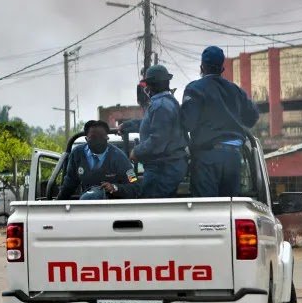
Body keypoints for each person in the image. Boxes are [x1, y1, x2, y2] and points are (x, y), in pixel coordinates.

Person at [181, 46, 260, 197]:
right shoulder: (235, 91)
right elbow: (252, 118)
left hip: (207, 158)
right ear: (222, 68)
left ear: (202, 67)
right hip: (233, 159)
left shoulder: (195, 89)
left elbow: (187, 123)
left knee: (207, 208)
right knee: (229, 207)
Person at [104, 65, 188, 199]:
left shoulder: (160, 105)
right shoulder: (165, 103)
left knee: (152, 207)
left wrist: (137, 151)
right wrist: (128, 125)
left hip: (163, 168)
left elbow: (158, 140)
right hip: (165, 166)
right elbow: (150, 125)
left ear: (151, 86)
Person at [58, 120, 134, 200]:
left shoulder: (120, 157)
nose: (98, 141)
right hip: (86, 203)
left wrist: (114, 187)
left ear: (107, 138)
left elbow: (134, 185)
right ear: (86, 139)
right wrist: (57, 205)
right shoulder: (77, 154)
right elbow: (69, 183)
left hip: (112, 205)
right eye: (93, 137)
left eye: (101, 137)